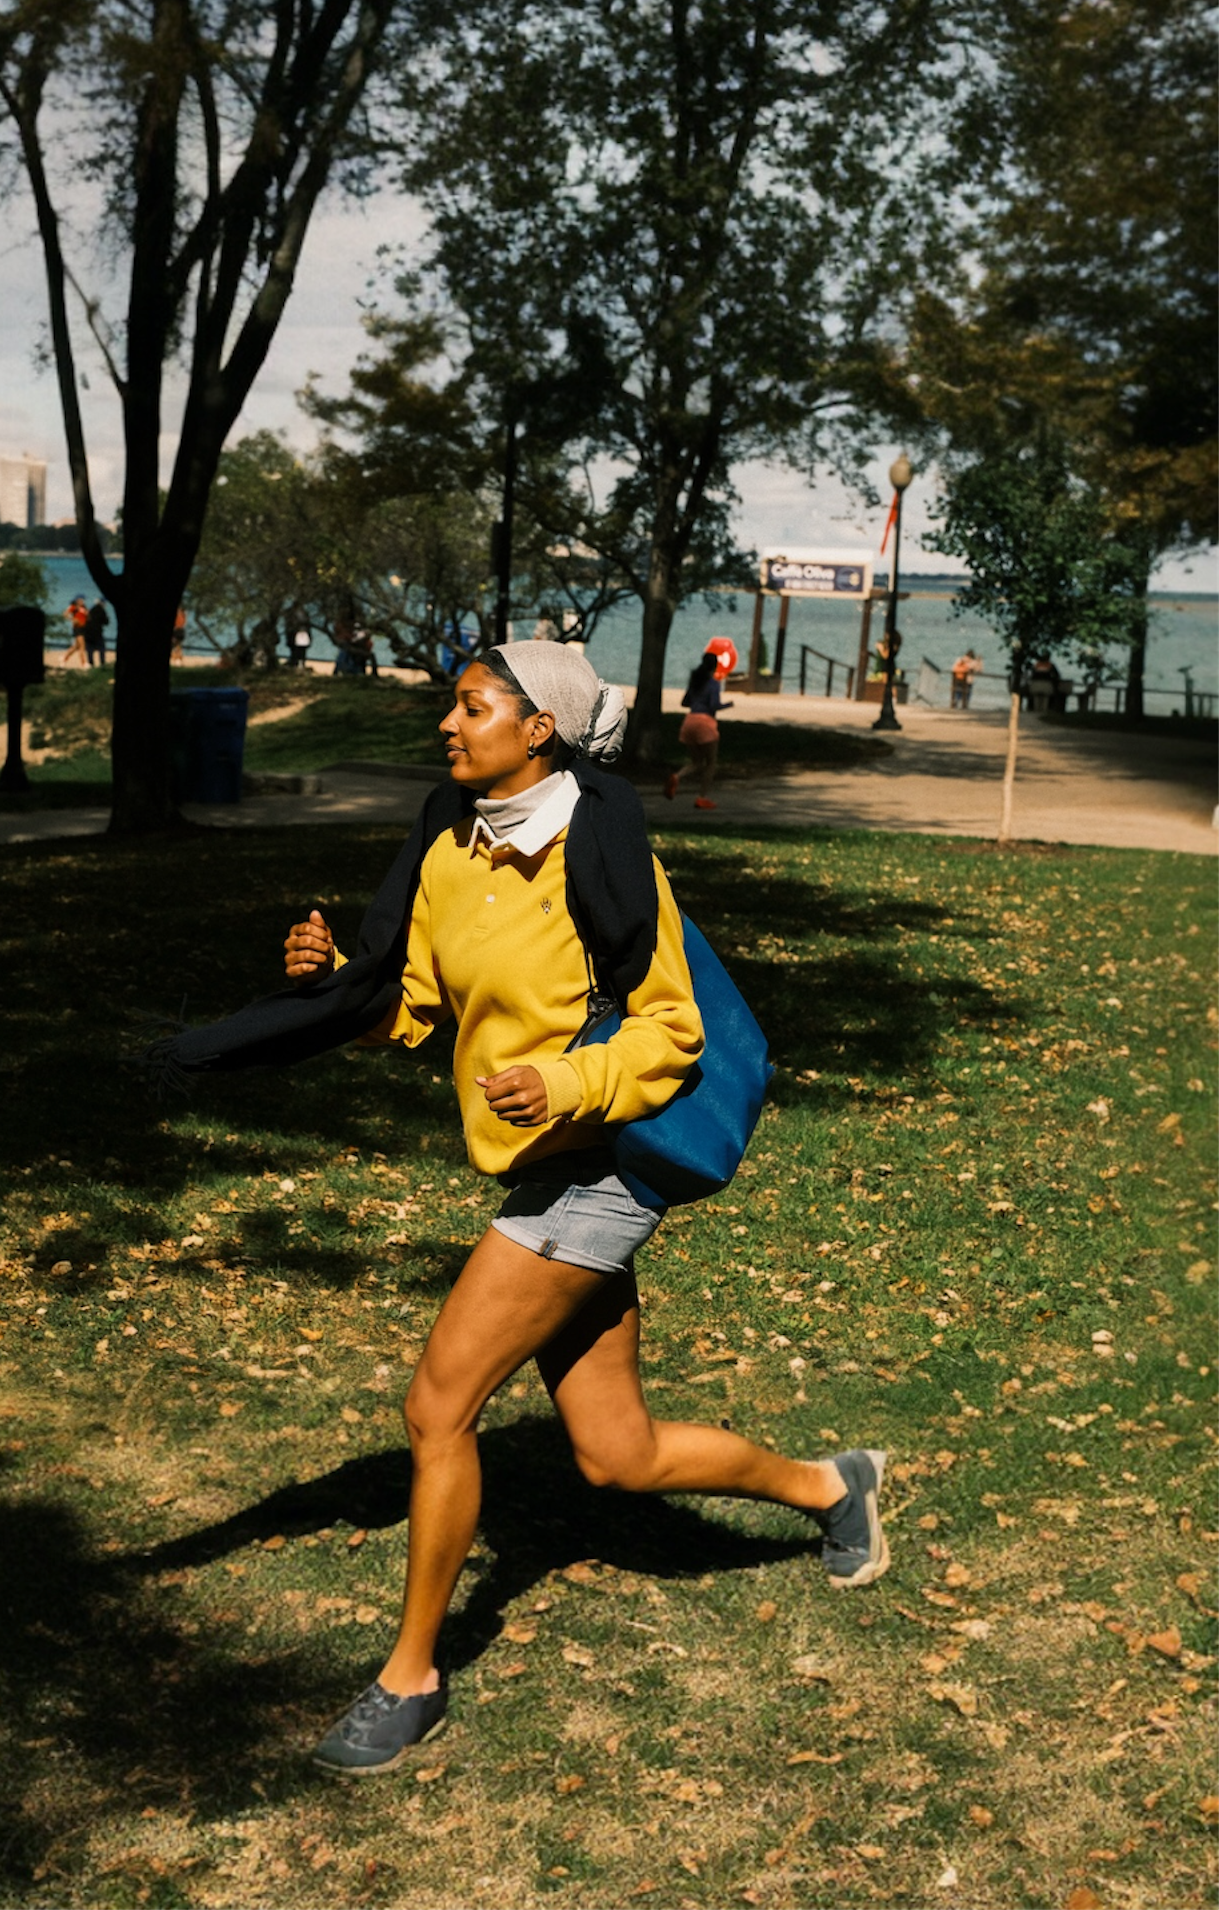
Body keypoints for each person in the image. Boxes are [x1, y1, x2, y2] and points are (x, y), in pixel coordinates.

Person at [268, 642, 888, 1775]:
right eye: (452, 706)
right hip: (540, 1166)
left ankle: (411, 1677)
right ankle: (832, 1486)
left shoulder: (603, 853)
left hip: (601, 1166)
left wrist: (564, 1082)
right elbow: (413, 1011)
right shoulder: (453, 852)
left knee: (438, 1407)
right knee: (616, 1455)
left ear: (538, 727)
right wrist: (329, 986)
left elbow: (671, 1029)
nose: (448, 724)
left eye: (472, 706)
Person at [665, 647, 732, 809]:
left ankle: (677, 776)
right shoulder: (714, 684)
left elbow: (685, 702)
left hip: (689, 722)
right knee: (711, 763)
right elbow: (713, 705)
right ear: (715, 667)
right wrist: (728, 705)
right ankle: (702, 797)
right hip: (705, 723)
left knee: (696, 762)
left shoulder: (695, 682)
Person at [62, 596, 89, 667]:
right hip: (77, 628)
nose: (83, 601)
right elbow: (65, 614)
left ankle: (64, 659)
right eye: (81, 600)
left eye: (83, 600)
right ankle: (84, 663)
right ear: (77, 600)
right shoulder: (74, 607)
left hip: (83, 628)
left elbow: (87, 616)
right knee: (82, 645)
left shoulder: (84, 607)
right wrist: (72, 619)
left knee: (76, 647)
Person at [84, 598, 110, 667]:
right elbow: (106, 622)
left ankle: (91, 664)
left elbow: (86, 619)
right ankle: (102, 663)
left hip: (88, 632)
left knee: (90, 649)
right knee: (101, 648)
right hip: (97, 633)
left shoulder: (91, 610)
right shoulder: (102, 611)